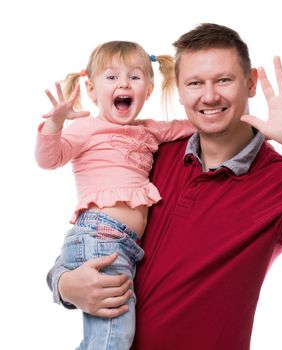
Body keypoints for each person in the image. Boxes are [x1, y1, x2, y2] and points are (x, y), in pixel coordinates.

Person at [47, 24, 282, 350]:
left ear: (251, 82)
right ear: (180, 91)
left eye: (224, 80)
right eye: (195, 83)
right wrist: (64, 283)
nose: (209, 96)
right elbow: (96, 235)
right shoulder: (150, 153)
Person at [35, 40, 195, 350]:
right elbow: (48, 159)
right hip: (100, 237)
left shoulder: (150, 130)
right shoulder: (87, 128)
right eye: (111, 77)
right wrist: (54, 124)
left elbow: (188, 127)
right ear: (92, 91)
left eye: (134, 77)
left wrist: (243, 120)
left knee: (107, 339)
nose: (123, 83)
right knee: (113, 339)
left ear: (148, 90)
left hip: (124, 245)